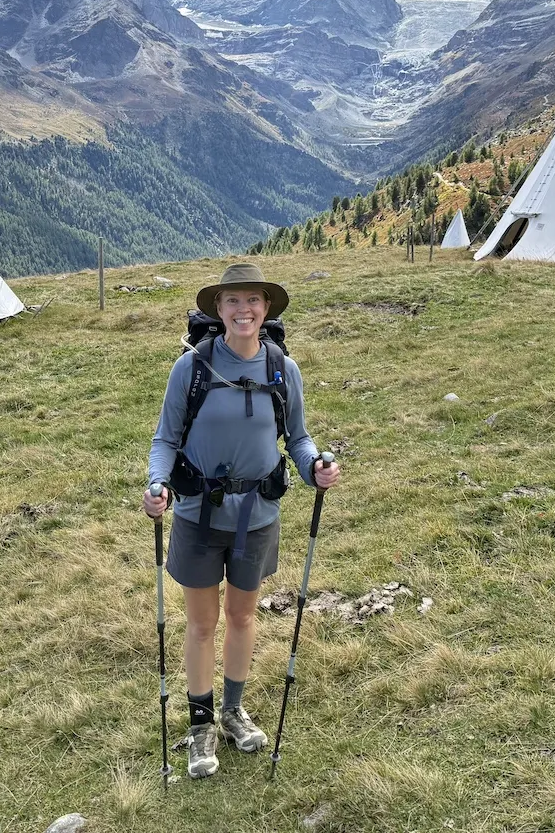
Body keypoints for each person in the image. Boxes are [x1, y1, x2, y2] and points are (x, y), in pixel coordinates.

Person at [144, 263, 341, 779]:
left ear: (266, 308)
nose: (244, 310)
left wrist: (314, 466)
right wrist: (157, 484)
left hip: (256, 515)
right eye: (233, 301)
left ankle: (233, 712)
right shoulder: (191, 368)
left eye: (253, 300)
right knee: (203, 621)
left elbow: (296, 437)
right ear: (218, 309)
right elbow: (166, 437)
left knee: (242, 617)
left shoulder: (282, 369)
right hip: (196, 511)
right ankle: (201, 722)